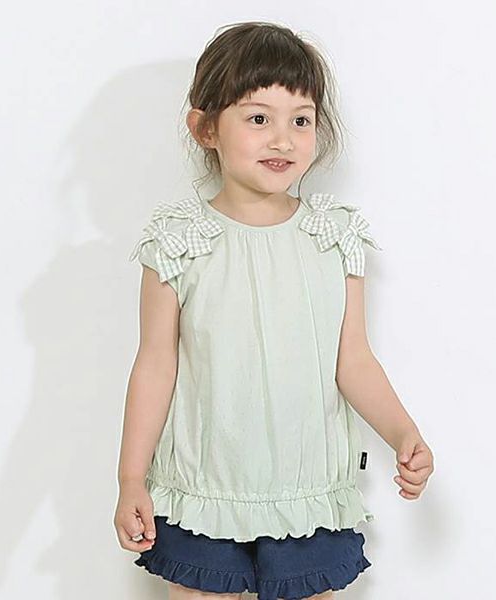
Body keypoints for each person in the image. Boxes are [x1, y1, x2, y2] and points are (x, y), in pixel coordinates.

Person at [114, 20, 435, 600]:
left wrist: (403, 432)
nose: (283, 140)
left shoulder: (333, 238)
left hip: (306, 490)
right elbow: (155, 365)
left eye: (301, 120)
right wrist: (131, 476)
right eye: (259, 118)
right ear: (206, 128)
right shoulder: (180, 241)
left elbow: (353, 360)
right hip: (204, 488)